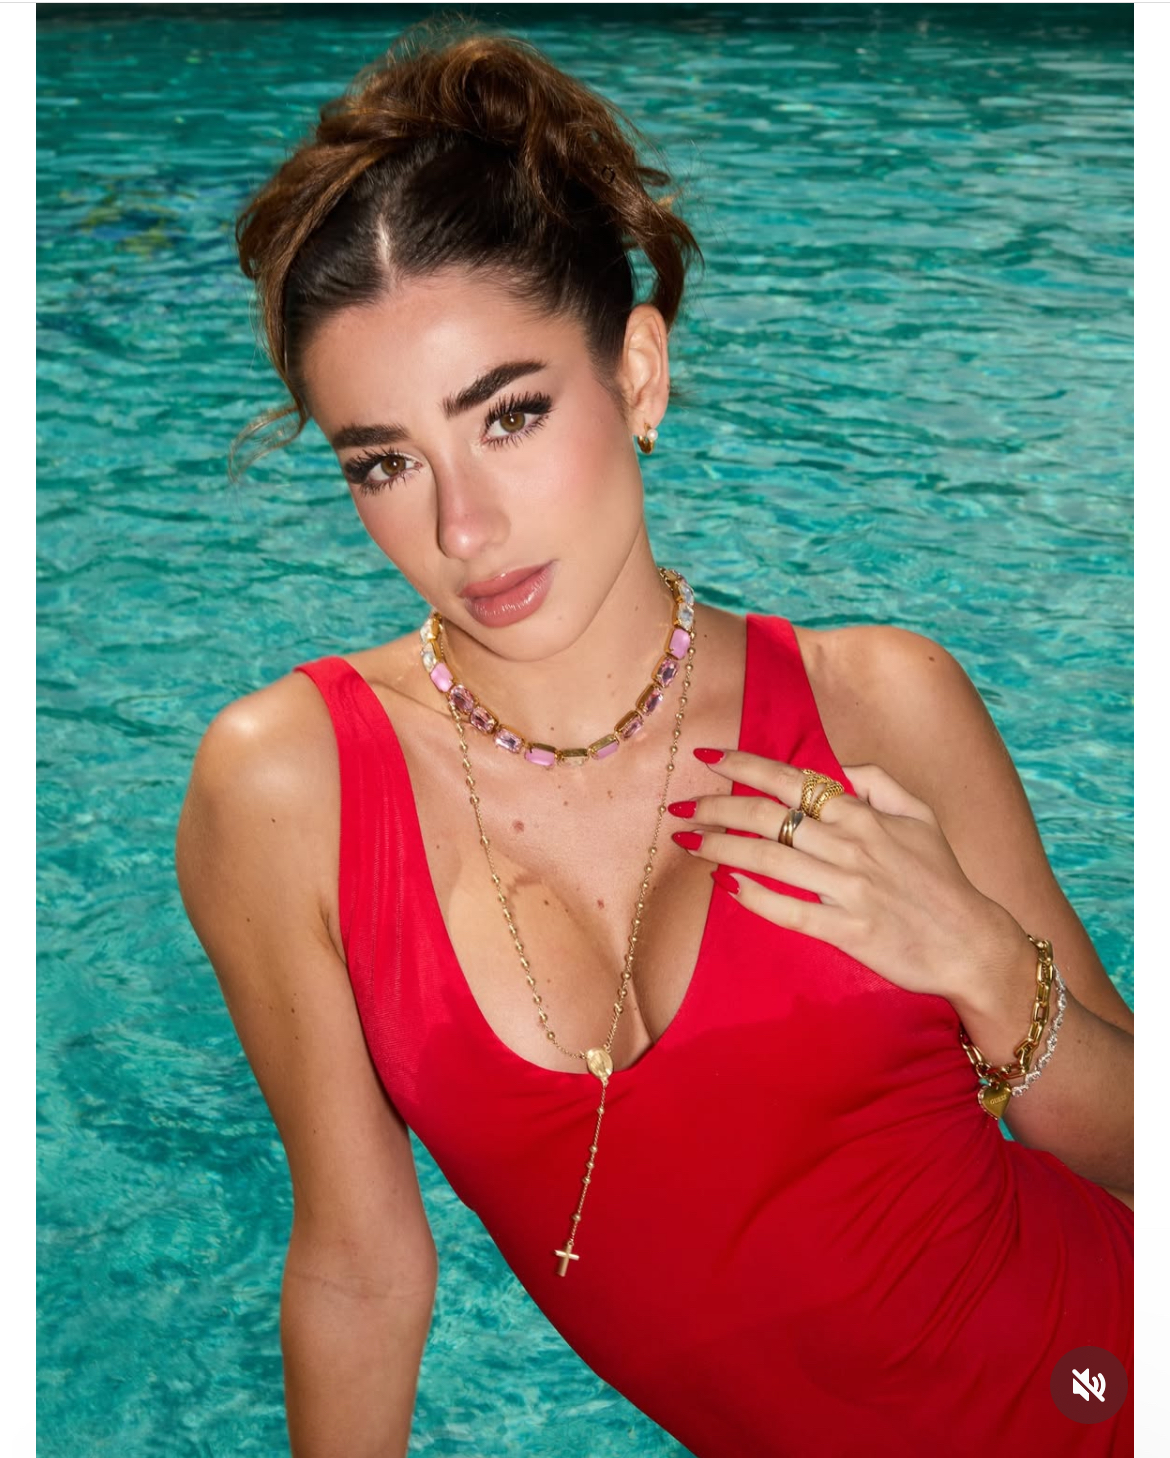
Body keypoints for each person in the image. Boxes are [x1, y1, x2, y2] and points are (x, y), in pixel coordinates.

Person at [175, 26, 1134, 1458]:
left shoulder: (875, 703)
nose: (462, 527)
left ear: (636, 373)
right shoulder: (283, 790)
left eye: (510, 415)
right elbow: (361, 1269)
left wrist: (987, 967)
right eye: (384, 461)